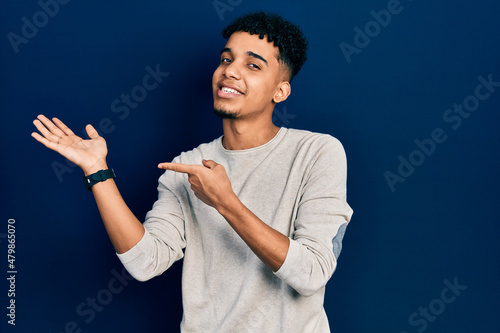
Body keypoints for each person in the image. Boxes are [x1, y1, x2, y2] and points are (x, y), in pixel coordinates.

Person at [32, 11, 353, 332]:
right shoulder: (187, 166)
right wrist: (97, 170)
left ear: (280, 92)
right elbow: (145, 262)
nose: (231, 71)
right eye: (226, 59)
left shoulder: (317, 153)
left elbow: (311, 274)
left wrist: (226, 203)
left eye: (252, 65)